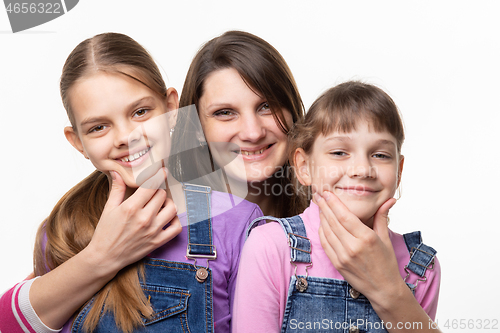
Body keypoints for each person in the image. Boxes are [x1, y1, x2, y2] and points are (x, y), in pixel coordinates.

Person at [0, 32, 262, 333]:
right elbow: (9, 323)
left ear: (171, 108)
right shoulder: (64, 231)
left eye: (140, 112)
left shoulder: (236, 222)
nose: (126, 137)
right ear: (78, 143)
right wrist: (101, 256)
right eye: (99, 127)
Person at [233, 81, 442, 332]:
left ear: (399, 172)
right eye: (340, 152)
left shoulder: (420, 267)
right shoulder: (269, 246)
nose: (362, 169)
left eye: (381, 155)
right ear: (304, 166)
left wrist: (391, 291)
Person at [170, 30, 306, 218]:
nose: (253, 133)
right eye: (225, 113)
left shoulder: (339, 209)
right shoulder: (165, 226)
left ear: (292, 111)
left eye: (267, 106)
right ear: (197, 127)